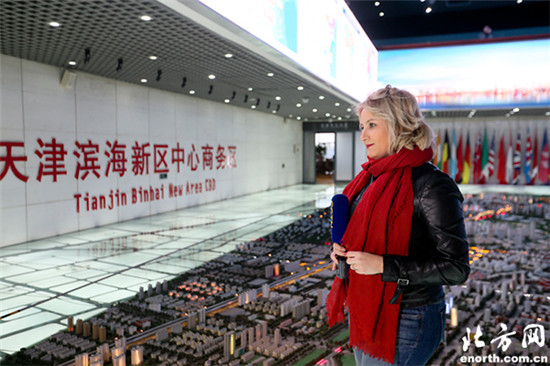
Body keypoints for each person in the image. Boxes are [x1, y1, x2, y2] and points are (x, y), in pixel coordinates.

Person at [326, 85, 470, 366]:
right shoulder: (368, 179)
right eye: (362, 126)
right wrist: (341, 250)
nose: (363, 135)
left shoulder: (432, 184)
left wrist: (383, 266)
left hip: (408, 316)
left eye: (371, 125)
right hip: (367, 310)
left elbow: (456, 267)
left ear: (398, 126)